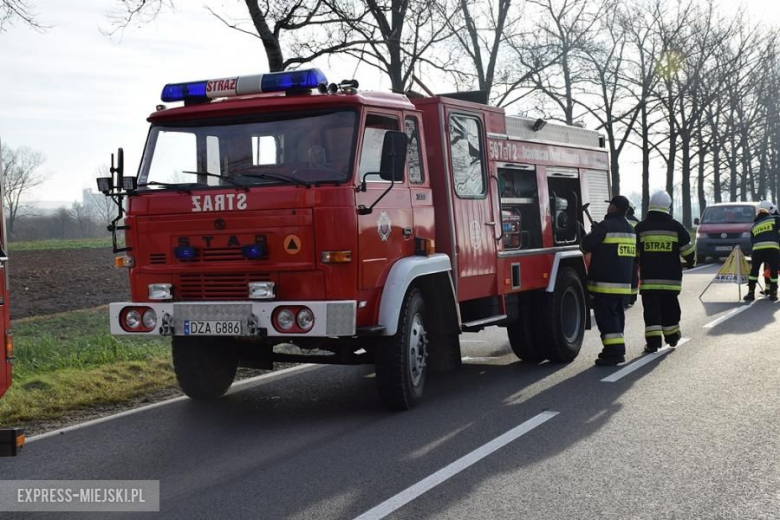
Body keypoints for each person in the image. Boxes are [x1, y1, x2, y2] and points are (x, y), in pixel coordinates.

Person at [635, 191, 696, 353]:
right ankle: (672, 337)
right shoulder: (676, 227)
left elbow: (634, 254)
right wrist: (691, 262)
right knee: (670, 309)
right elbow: (688, 252)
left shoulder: (641, 228)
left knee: (651, 312)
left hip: (649, 281)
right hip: (671, 280)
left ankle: (653, 343)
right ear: (668, 207)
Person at [581, 195, 636, 366]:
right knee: (617, 317)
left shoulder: (605, 227)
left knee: (606, 318)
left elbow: (585, 246)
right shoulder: (631, 229)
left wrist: (594, 232)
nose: (608, 207)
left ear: (613, 207)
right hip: (623, 285)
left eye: (610, 205)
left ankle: (614, 352)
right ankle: (616, 349)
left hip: (605, 284)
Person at [744, 200, 780, 302]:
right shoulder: (775, 219)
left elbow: (752, 241)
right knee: (773, 271)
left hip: (757, 250)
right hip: (772, 249)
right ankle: (773, 294)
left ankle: (750, 294)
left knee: (754, 272)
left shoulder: (754, 226)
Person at [626, 201, 640, 308]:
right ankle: (632, 297)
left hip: (619, 254)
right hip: (633, 254)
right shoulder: (637, 222)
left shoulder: (618, 220)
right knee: (633, 276)